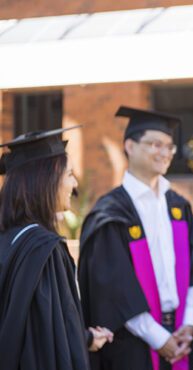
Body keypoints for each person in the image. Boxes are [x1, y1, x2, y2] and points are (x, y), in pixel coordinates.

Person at [78, 107, 193, 370]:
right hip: (132, 345)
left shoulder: (178, 207)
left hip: (181, 335)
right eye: (155, 144)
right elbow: (114, 288)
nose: (164, 153)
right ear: (130, 145)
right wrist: (158, 337)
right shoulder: (110, 213)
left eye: (170, 147)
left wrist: (189, 323)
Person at [0, 126, 114, 370]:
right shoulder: (44, 251)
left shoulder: (9, 239)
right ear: (46, 180)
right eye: (70, 174)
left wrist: (86, 338)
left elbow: (38, 325)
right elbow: (47, 344)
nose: (74, 184)